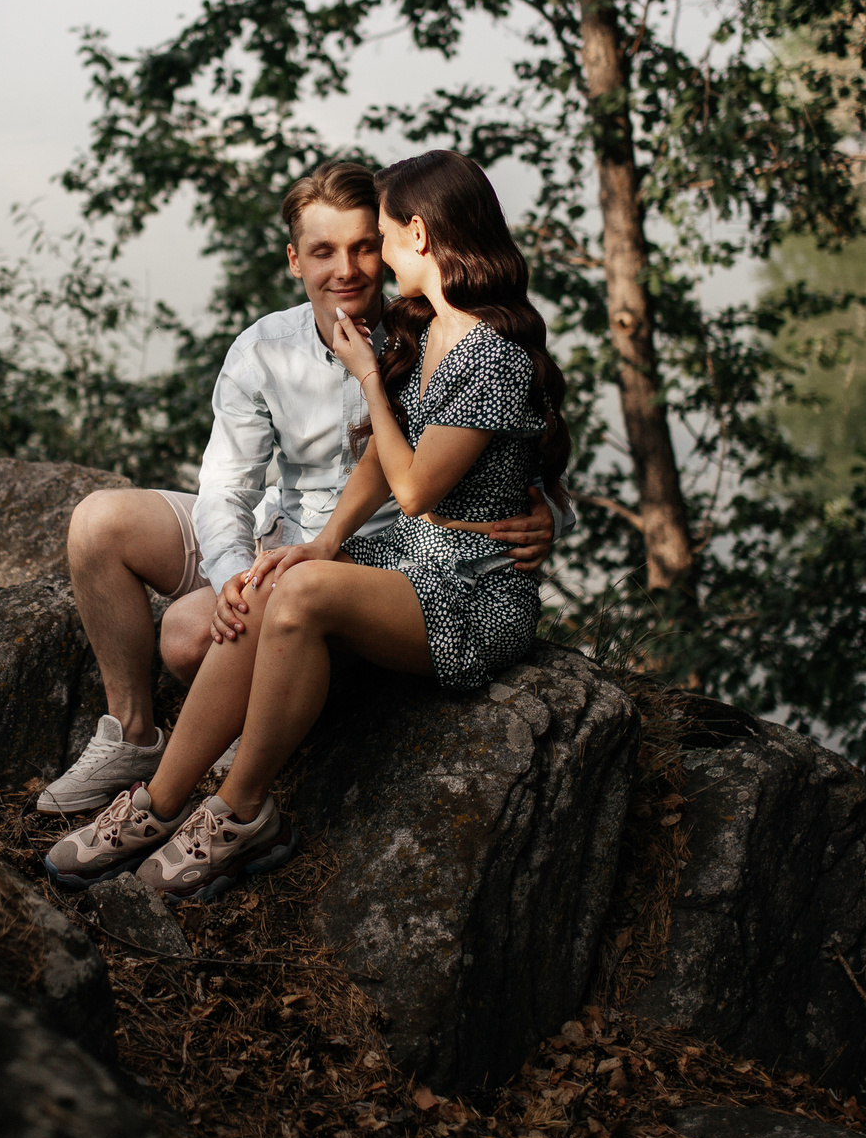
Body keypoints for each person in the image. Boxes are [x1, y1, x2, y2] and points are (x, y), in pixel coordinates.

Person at [43, 150, 573, 900]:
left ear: (414, 239)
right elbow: (277, 481)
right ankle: (155, 796)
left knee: (285, 596)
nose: (360, 264)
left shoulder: (448, 343)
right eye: (326, 250)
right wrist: (306, 549)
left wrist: (546, 515)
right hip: (375, 550)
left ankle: (238, 807)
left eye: (374, 240)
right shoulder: (370, 339)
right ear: (296, 260)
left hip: (456, 584)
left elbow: (430, 479)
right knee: (270, 580)